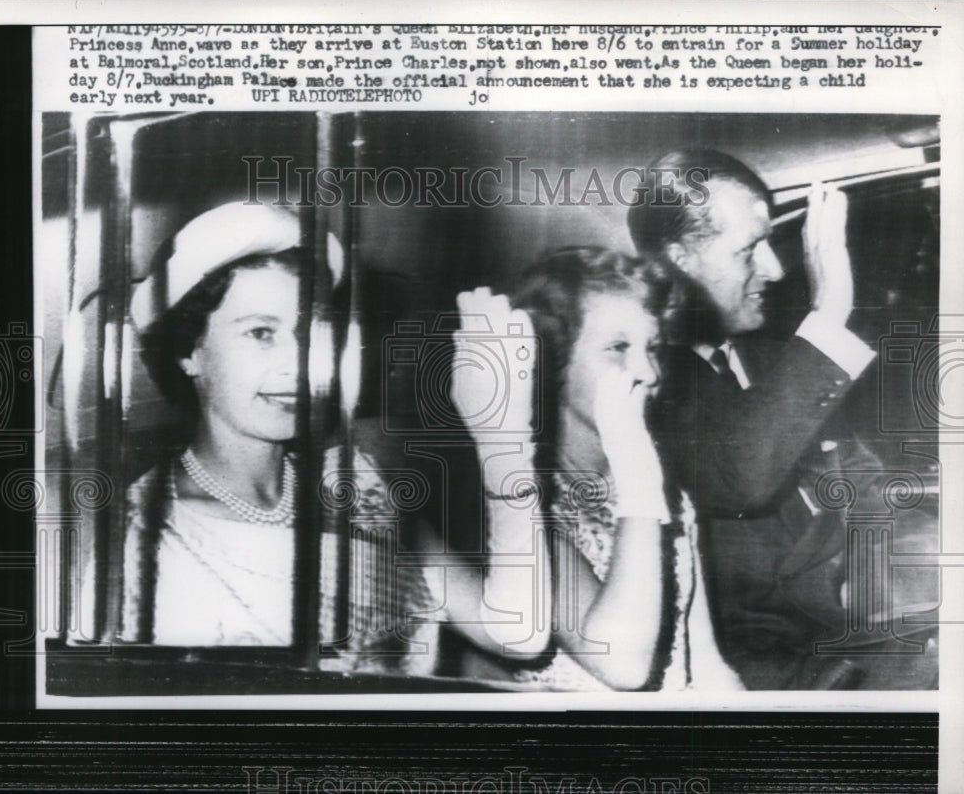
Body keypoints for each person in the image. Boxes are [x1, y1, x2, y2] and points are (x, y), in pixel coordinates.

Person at [119, 202, 439, 675]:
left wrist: (502, 437)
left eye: (311, 333)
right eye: (261, 333)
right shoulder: (150, 534)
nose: (301, 364)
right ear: (189, 352)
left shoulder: (358, 483)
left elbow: (517, 633)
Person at [628, 149, 880, 689]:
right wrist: (830, 308)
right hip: (758, 674)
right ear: (679, 261)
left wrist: (882, 570)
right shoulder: (649, 388)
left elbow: (863, 476)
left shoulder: (774, 362)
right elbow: (740, 479)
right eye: (749, 249)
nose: (775, 268)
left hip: (850, 635)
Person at [442, 247, 743, 690]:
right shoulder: (522, 504)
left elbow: (705, 663)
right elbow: (622, 663)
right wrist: (641, 477)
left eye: (653, 347)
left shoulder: (667, 495)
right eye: (618, 348)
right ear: (552, 362)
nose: (648, 372)